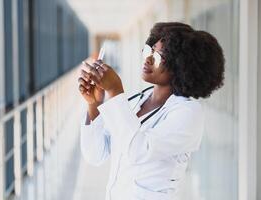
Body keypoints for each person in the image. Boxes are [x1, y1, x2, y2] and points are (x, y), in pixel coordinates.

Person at [78, 22, 225, 200]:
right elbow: (96, 155)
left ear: (180, 66)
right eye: (149, 50)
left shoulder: (188, 113)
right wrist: (94, 104)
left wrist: (115, 91)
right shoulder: (136, 101)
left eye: (157, 56)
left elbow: (139, 150)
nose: (147, 59)